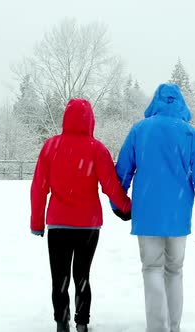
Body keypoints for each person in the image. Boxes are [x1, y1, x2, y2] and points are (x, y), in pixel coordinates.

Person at [111, 83, 195, 332]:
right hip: (178, 217)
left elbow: (123, 171)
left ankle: (157, 328)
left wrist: (119, 204)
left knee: (151, 269)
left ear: (155, 102)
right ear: (180, 104)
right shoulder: (191, 135)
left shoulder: (140, 130)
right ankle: (174, 326)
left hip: (146, 215)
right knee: (175, 271)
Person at [30, 98, 132, 332]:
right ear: (90, 120)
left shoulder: (51, 146)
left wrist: (37, 222)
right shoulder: (97, 148)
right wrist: (126, 208)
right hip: (88, 225)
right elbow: (110, 186)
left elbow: (38, 187)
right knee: (82, 275)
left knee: (60, 277)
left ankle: (61, 321)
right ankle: (82, 322)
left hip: (58, 225)